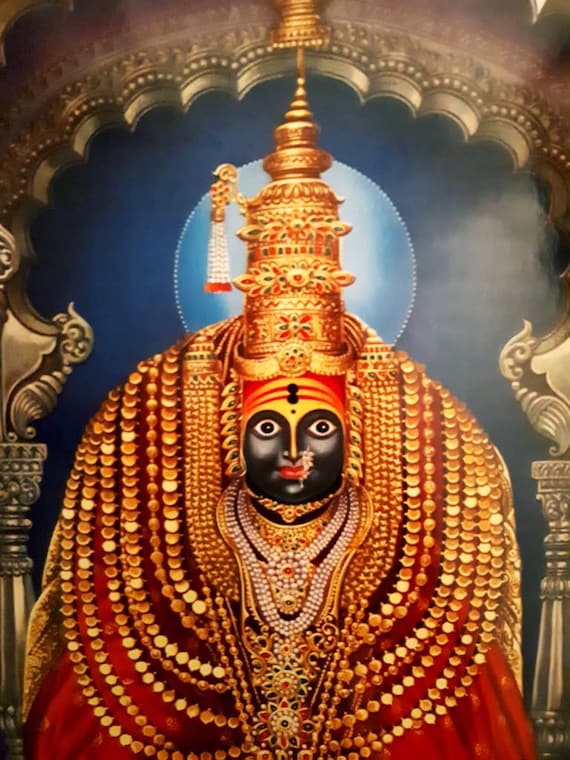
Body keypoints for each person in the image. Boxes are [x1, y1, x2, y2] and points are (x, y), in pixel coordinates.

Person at [22, 50, 536, 760]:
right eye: (268, 426)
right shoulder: (160, 419)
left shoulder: (417, 427)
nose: (294, 451)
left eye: (320, 426)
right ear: (230, 429)